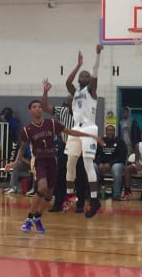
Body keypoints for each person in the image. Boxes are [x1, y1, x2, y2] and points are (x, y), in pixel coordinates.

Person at [4, 100, 102, 233]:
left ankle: (37, 217)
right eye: (34, 107)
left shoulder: (51, 124)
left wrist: (90, 135)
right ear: (30, 111)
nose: (38, 109)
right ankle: (28, 219)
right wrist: (15, 162)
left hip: (51, 160)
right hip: (39, 161)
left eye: (39, 106)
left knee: (49, 194)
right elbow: (21, 148)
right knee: (42, 187)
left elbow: (71, 132)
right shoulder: (27, 129)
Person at [63, 45, 103, 218]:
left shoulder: (92, 90)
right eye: (82, 75)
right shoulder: (75, 91)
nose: (84, 76)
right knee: (70, 162)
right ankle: (71, 194)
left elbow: (95, 71)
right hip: (76, 129)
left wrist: (97, 54)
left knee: (87, 164)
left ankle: (94, 200)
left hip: (89, 129)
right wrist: (78, 65)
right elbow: (67, 82)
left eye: (86, 75)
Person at [39, 82, 89, 213]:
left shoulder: (84, 114)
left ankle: (80, 204)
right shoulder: (62, 111)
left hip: (79, 147)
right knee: (60, 175)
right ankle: (58, 203)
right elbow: (44, 107)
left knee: (80, 176)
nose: (71, 102)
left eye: (73, 100)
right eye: (69, 101)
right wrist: (45, 91)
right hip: (65, 146)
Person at [95, 125, 128, 201]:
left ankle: (116, 194)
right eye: (108, 130)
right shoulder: (100, 141)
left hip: (115, 164)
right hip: (102, 165)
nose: (110, 132)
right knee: (93, 167)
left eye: (112, 130)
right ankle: (95, 193)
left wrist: (110, 164)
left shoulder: (120, 142)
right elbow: (95, 155)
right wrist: (99, 163)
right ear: (105, 132)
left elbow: (122, 157)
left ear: (114, 132)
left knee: (116, 169)